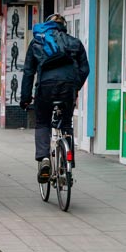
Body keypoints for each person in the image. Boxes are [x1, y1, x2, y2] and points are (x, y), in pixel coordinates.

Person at [20, 14, 89, 183]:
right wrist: (75, 87)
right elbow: (84, 69)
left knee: (42, 122)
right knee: (66, 124)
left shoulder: (37, 42)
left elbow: (29, 72)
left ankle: (44, 158)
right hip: (68, 88)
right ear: (63, 26)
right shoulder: (74, 42)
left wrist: (25, 98)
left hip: (45, 87)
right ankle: (68, 164)